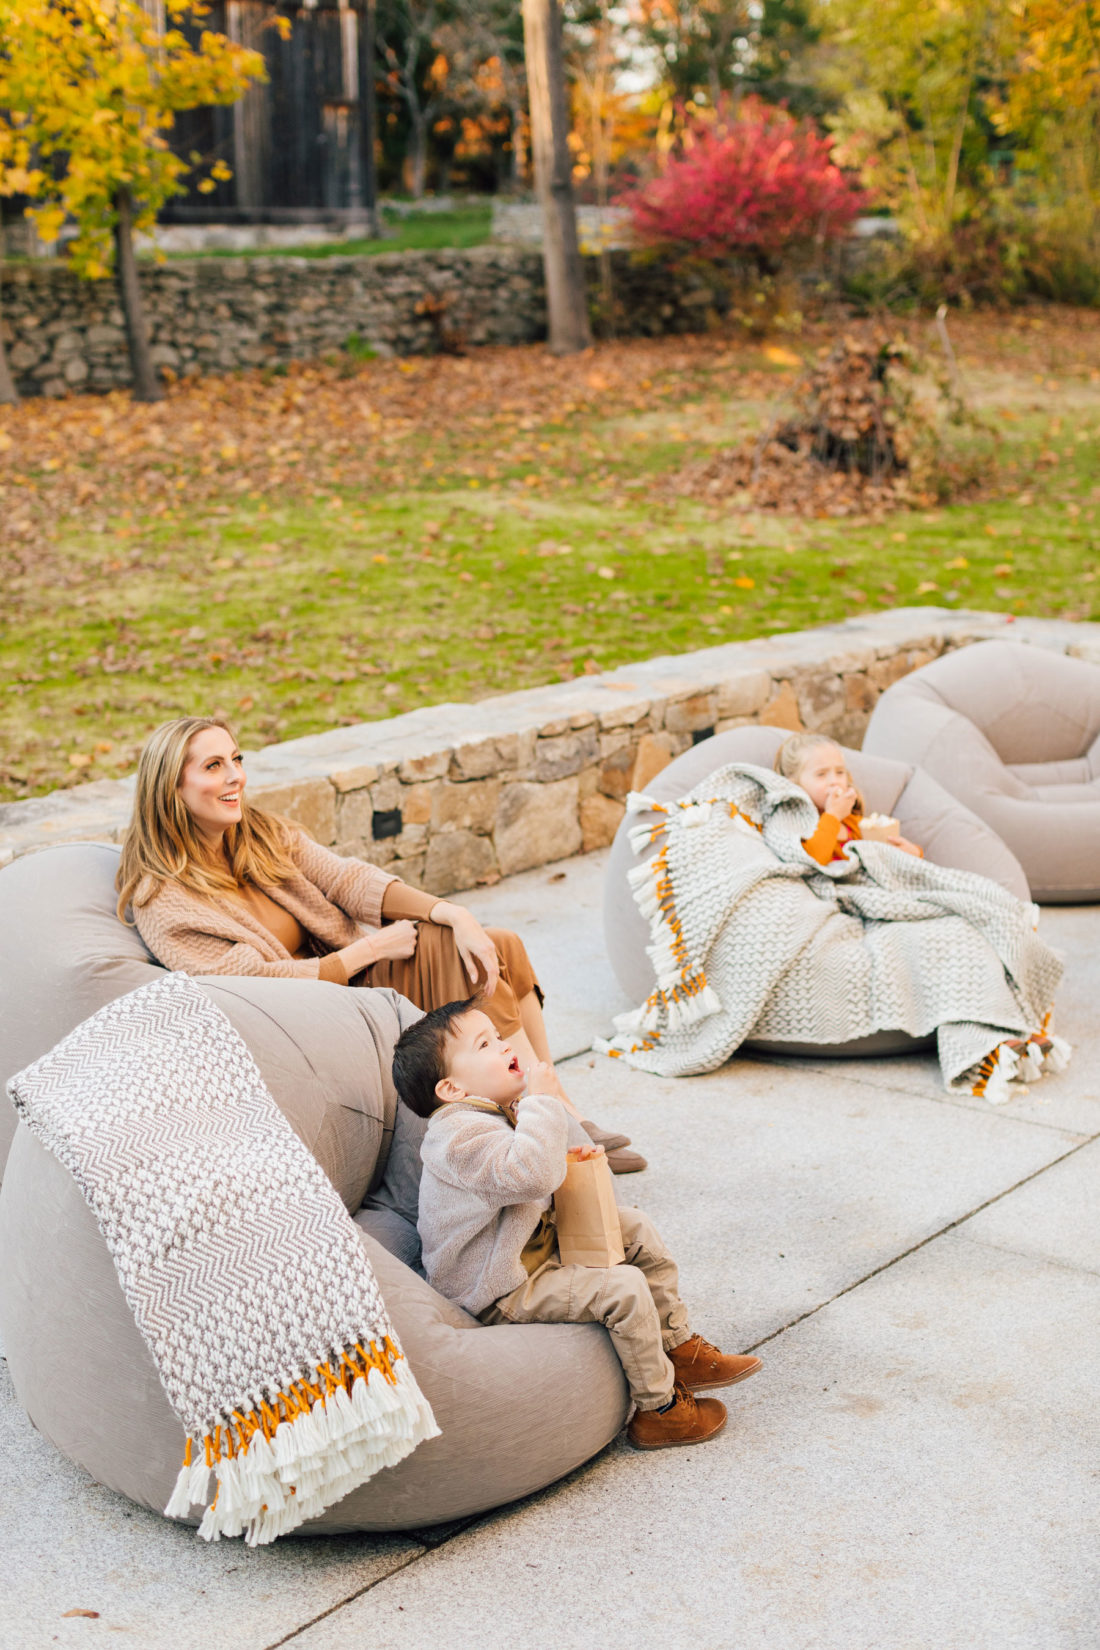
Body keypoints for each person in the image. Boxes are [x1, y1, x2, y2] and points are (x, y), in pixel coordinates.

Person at [116, 715, 644, 1171]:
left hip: (351, 983)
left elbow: (347, 878)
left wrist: (450, 912)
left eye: (236, 758)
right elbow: (249, 982)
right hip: (308, 1018)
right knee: (462, 960)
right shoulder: (162, 899)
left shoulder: (257, 834)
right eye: (213, 767)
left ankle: (557, 1108)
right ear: (172, 787)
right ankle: (557, 1124)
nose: (236, 776)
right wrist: (368, 951)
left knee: (494, 943)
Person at [392, 998, 762, 1450]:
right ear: (450, 1089)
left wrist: (564, 1158)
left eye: (499, 1035)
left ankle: (678, 1347)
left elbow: (525, 1184)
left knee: (637, 1228)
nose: (504, 1045)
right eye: (484, 1044)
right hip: (499, 1286)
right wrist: (543, 1101)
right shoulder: (457, 1137)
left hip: (531, 1247)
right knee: (623, 1288)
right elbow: (527, 1176)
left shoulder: (490, 1116)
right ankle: (659, 1411)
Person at [774, 732, 923, 866]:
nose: (834, 781)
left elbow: (885, 858)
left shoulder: (855, 825)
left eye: (840, 772)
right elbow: (812, 861)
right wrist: (833, 816)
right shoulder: (794, 824)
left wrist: (914, 853)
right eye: (821, 774)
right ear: (794, 784)